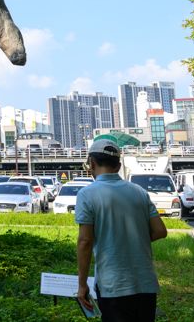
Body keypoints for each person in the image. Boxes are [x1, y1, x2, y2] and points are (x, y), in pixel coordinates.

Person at [75, 137, 167, 322]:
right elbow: (160, 231)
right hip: (145, 284)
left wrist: (82, 284)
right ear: (118, 166)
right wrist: (131, 239)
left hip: (113, 286)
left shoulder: (86, 194)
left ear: (91, 163)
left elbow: (85, 241)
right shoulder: (139, 192)